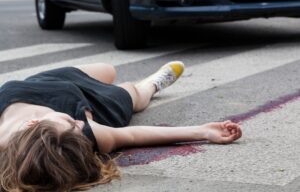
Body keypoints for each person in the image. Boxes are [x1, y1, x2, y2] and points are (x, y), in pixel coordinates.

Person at [0, 61, 242, 192]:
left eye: (69, 123)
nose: (77, 123)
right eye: (76, 126)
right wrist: (203, 131)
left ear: (34, 124)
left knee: (108, 69)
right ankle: (152, 85)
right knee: (133, 92)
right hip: (97, 103)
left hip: (49, 82)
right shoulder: (88, 131)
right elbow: (133, 135)